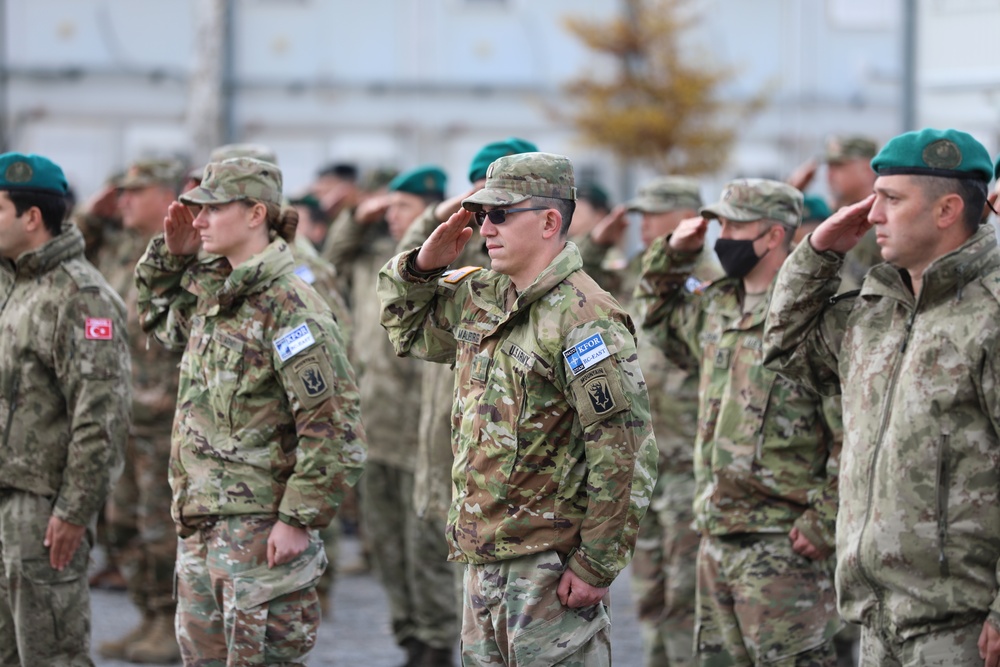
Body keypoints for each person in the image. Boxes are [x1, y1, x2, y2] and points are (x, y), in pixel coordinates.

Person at [378, 152, 657, 665]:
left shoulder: (585, 317)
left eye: (500, 214)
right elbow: (405, 328)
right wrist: (422, 266)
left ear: (550, 221)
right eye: (482, 214)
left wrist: (596, 564)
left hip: (547, 567)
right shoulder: (482, 296)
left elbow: (625, 450)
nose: (486, 228)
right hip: (482, 557)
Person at [763, 128, 1000, 665]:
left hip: (960, 625)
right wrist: (818, 250)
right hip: (875, 616)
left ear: (946, 210)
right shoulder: (878, 308)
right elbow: (785, 348)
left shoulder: (990, 313)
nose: (871, 215)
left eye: (890, 199)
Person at [135, 157, 367, 665]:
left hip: (260, 534)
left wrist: (298, 519)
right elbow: (155, 322)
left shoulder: (290, 305)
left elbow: (334, 428)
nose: (198, 222)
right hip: (201, 523)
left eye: (212, 209)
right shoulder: (215, 294)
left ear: (255, 213)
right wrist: (171, 259)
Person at [636, 178, 842, 666]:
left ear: (773, 236)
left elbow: (849, 429)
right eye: (719, 223)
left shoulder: (809, 316)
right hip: (715, 533)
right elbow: (656, 317)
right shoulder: (717, 304)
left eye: (734, 225)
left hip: (782, 544)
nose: (721, 235)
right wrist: (673, 254)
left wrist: (824, 521)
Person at [0, 152, 131, 666]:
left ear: (31, 218)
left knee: (51, 653)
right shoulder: (11, 284)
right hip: (5, 494)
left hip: (43, 508)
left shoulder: (81, 296)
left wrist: (75, 510)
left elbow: (100, 418)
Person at [589, 175, 719, 667]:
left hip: (689, 460)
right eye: (640, 215)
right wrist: (600, 241)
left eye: (653, 215)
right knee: (648, 593)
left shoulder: (707, 282)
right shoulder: (641, 273)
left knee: (687, 597)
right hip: (644, 461)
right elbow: (585, 280)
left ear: (689, 218)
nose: (642, 226)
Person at [91, 157, 187, 664]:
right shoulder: (119, 248)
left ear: (167, 195)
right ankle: (146, 614)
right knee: (123, 524)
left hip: (165, 420)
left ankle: (170, 623)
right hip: (121, 414)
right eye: (120, 193)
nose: (123, 200)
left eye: (135, 191)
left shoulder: (183, 255)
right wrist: (91, 214)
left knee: (160, 530)